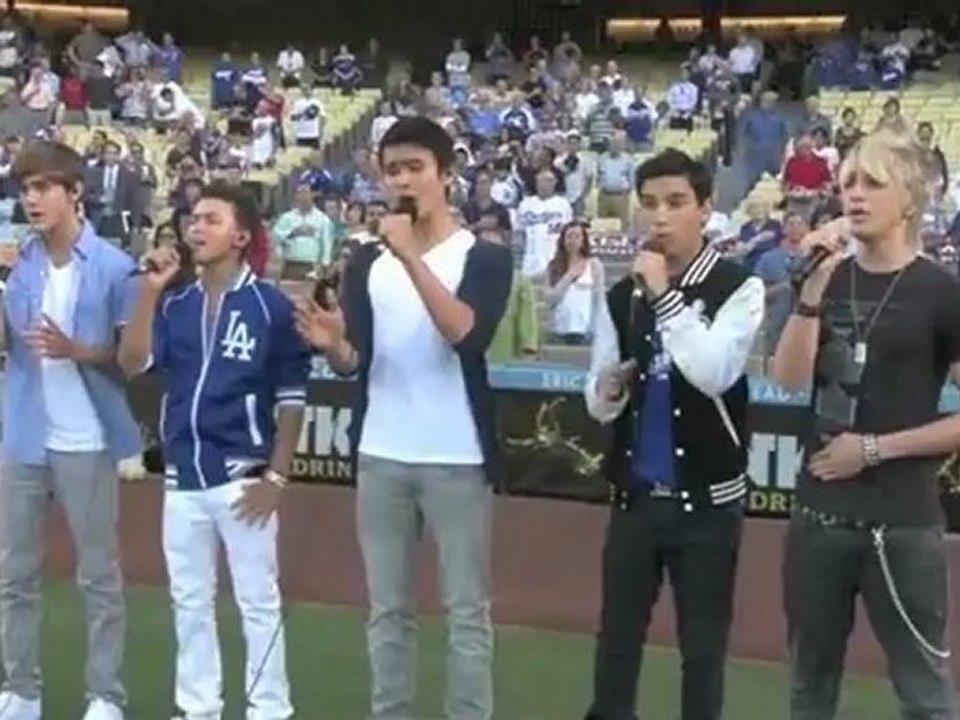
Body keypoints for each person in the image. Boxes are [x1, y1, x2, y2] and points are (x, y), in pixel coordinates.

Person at [293, 116, 513, 720]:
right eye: (393, 170)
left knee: (467, 611)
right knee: (387, 610)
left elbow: (463, 335)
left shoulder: (485, 258)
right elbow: (359, 362)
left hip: (458, 457)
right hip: (382, 453)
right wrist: (334, 344)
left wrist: (412, 256)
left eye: (416, 167)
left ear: (446, 174)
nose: (404, 180)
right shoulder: (365, 262)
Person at [772, 130, 960, 720]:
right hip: (818, 518)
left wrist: (874, 450)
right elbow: (787, 379)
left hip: (902, 525)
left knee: (924, 696)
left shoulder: (939, 291)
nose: (854, 195)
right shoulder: (826, 277)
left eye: (872, 183)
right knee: (809, 689)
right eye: (848, 181)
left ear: (908, 197)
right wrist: (811, 293)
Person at [582, 149, 765, 720]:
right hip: (636, 496)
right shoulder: (620, 294)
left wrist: (664, 297)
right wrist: (609, 390)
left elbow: (713, 372)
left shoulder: (739, 287)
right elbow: (597, 398)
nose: (659, 217)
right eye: (649, 204)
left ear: (706, 209)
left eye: (676, 203)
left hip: (708, 503)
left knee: (702, 652)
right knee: (616, 642)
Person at [117, 181, 309, 720]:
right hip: (182, 476)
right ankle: (197, 706)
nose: (195, 228)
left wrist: (277, 479)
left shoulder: (270, 306)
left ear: (242, 236)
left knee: (257, 602)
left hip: (243, 475)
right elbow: (133, 363)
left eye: (211, 219)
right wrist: (149, 292)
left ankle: (269, 709)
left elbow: (293, 400)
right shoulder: (175, 302)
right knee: (189, 603)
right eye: (193, 219)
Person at [0, 142, 142, 720]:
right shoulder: (21, 266)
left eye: (43, 188)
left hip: (88, 438)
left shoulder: (113, 266)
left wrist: (76, 350)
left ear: (74, 192)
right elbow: (12, 349)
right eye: (25, 189)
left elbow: (133, 362)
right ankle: (19, 690)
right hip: (24, 435)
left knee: (99, 575)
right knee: (14, 573)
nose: (32, 200)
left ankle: (105, 695)